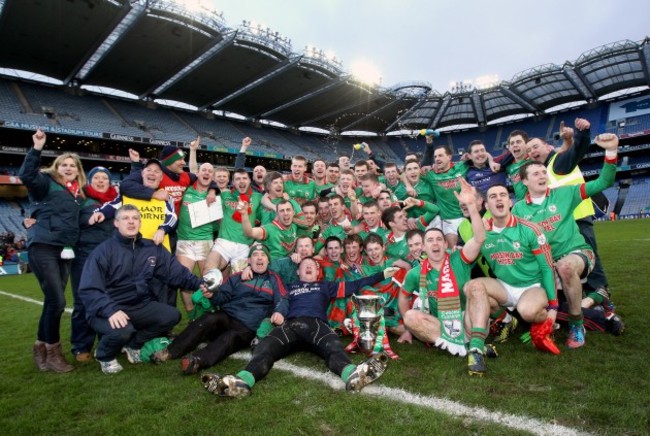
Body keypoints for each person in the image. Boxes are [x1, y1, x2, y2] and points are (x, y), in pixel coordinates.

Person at [201, 257, 397, 398]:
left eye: (313, 265)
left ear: (317, 271)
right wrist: (244, 272)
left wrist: (381, 274)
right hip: (290, 326)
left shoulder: (325, 286)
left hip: (317, 325)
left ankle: (352, 375)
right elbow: (267, 280)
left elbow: (355, 284)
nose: (309, 267)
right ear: (298, 271)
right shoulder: (289, 286)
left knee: (333, 348)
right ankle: (243, 381)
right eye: (305, 266)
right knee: (264, 350)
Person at [512, 132, 619, 348]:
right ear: (524, 181)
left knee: (566, 267)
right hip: (546, 265)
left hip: (577, 254)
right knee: (529, 309)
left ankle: (576, 325)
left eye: (544, 171)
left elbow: (604, 181)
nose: (543, 175)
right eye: (536, 174)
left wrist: (611, 151)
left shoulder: (565, 194)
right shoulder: (518, 210)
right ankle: (596, 297)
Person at [79, 205, 207, 374]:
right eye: (125, 218)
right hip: (108, 308)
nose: (131, 222)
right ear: (116, 223)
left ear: (140, 222)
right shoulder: (103, 251)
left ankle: (133, 345)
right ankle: (104, 355)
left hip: (139, 305)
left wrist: (200, 284)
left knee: (171, 316)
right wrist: (110, 310)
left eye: (135, 218)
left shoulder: (151, 248)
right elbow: (89, 289)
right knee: (123, 330)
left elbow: (176, 273)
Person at [464, 184, 558, 376]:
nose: (498, 199)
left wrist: (554, 309)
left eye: (503, 195)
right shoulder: (482, 232)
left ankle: (546, 324)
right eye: (493, 196)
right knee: (472, 287)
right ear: (487, 205)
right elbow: (463, 258)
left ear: (510, 202)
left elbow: (547, 268)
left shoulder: (530, 229)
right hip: (504, 287)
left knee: (527, 311)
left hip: (532, 285)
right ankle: (479, 344)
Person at [151, 243, 287, 375]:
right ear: (249, 260)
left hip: (246, 327)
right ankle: (169, 352)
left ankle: (197, 361)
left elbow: (283, 298)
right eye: (255, 255)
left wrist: (279, 312)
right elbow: (222, 296)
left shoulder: (274, 279)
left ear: (268, 260)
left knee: (229, 338)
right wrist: (213, 295)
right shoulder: (237, 277)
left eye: (263, 255)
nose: (259, 258)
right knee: (209, 318)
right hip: (227, 317)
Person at [18, 129, 84, 373]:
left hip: (65, 250)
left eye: (73, 165)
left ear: (78, 171)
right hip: (44, 245)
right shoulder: (46, 184)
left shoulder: (77, 195)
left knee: (52, 301)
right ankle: (54, 351)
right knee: (57, 299)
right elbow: (26, 174)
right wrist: (37, 148)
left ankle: (40, 347)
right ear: (57, 168)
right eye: (63, 164)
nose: (68, 168)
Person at [398, 180, 485, 354]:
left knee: (476, 286)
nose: (435, 243)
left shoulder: (459, 258)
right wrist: (409, 330)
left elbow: (479, 238)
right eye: (430, 240)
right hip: (441, 325)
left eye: (439, 239)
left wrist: (471, 206)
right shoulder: (416, 273)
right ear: (423, 247)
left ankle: (475, 343)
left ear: (446, 244)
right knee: (410, 317)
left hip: (468, 319)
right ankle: (456, 345)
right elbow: (403, 296)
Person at [70, 166, 117, 362]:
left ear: (109, 181)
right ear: (89, 181)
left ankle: (108, 341)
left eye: (104, 178)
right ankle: (81, 346)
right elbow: (69, 220)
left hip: (110, 257)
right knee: (83, 301)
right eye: (96, 177)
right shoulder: (80, 199)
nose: (100, 180)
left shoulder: (116, 202)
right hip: (85, 256)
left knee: (111, 299)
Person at [174, 162, 220, 312]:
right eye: (203, 170)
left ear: (212, 177)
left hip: (205, 241)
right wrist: (193, 150)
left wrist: (213, 192)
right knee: (184, 280)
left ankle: (208, 312)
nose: (206, 173)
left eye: (210, 171)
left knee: (209, 281)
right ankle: (191, 313)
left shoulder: (215, 195)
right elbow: (191, 167)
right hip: (184, 241)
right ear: (197, 174)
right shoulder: (186, 189)